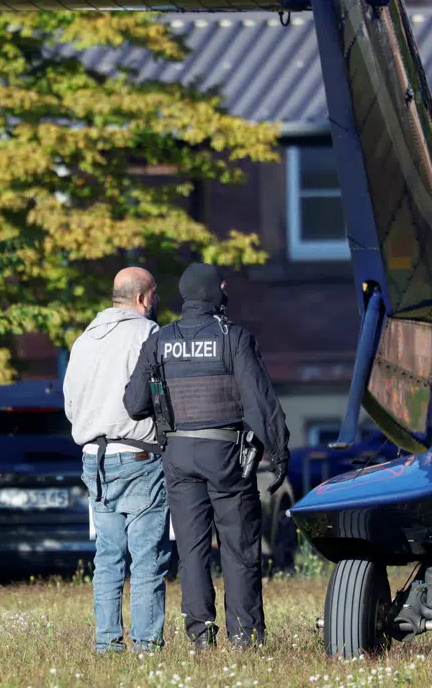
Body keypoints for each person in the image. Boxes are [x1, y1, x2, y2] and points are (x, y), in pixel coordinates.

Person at [124, 263, 290, 650]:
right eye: (222, 285)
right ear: (212, 292)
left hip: (178, 456)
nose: (226, 289)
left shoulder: (160, 341)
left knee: (192, 551)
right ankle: (246, 638)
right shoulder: (233, 338)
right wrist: (279, 452)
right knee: (239, 547)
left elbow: (134, 404)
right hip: (226, 456)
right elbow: (259, 403)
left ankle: (200, 636)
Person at [63, 267, 168, 654]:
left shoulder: (83, 341)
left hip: (95, 458)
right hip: (139, 457)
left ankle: (107, 643)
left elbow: (71, 405)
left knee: (107, 557)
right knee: (147, 558)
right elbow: (161, 400)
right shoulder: (149, 335)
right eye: (154, 295)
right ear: (143, 298)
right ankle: (146, 646)